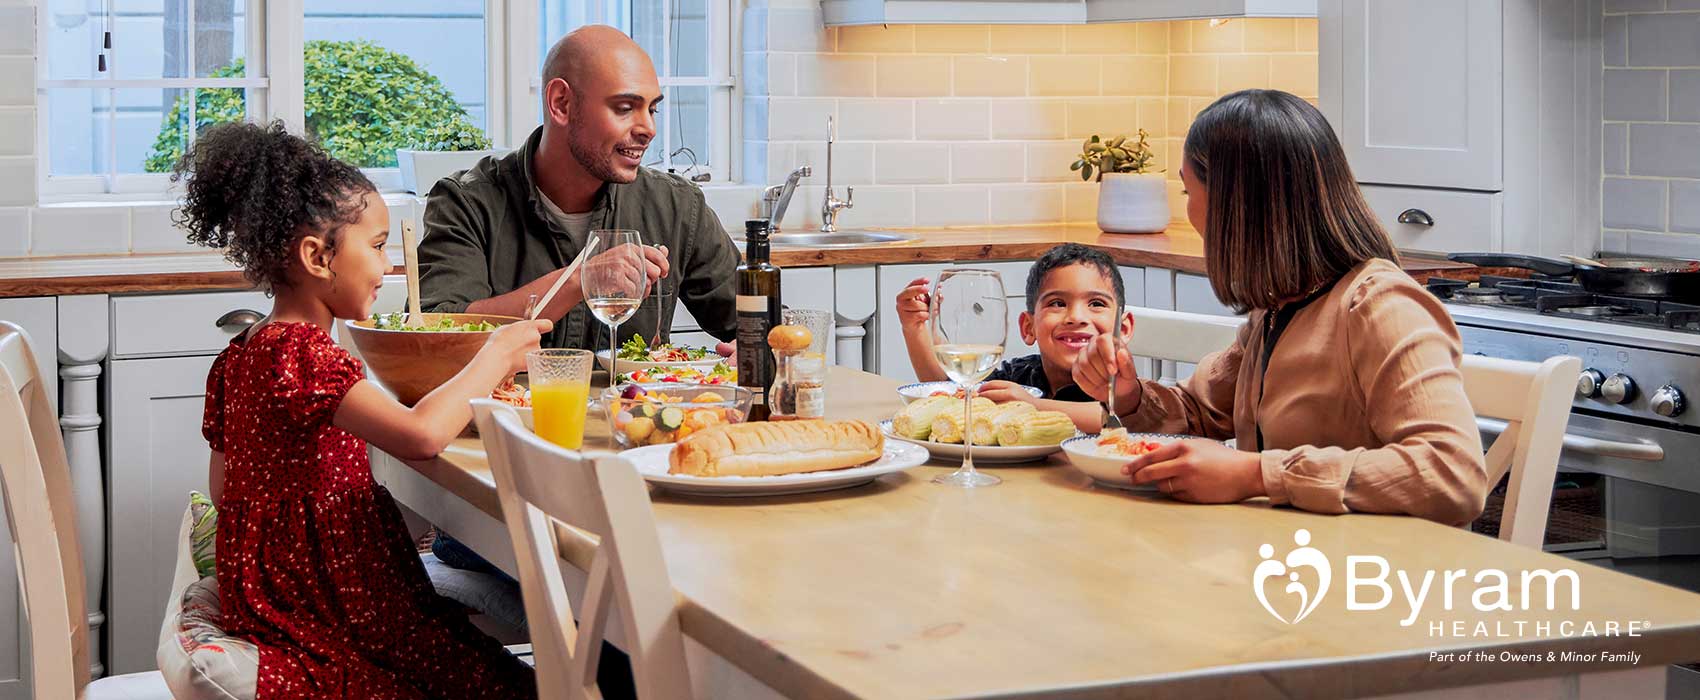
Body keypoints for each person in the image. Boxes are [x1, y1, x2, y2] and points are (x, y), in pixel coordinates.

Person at [179, 121, 544, 697]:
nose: (387, 267)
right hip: (323, 599)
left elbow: (226, 491)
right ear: (317, 256)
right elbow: (421, 437)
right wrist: (496, 354)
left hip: (275, 588)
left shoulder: (245, 351)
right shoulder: (298, 351)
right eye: (376, 248)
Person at [1072, 89, 1490, 526]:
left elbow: (1451, 473)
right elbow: (1202, 411)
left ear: (1235, 204)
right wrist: (1130, 394)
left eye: (1186, 189)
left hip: (1370, 580)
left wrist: (1257, 473)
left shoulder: (1380, 306)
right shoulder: (1279, 308)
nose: (1189, 210)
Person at [417, 24, 738, 352]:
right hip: (504, 404)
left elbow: (760, 324)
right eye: (625, 108)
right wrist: (580, 279)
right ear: (561, 104)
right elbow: (433, 336)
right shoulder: (465, 203)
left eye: (652, 109)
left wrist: (758, 349)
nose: (649, 129)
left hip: (636, 404)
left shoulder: (678, 206)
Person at [894, 243, 1130, 434]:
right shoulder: (1022, 376)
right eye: (1057, 303)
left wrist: (1034, 407)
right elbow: (951, 388)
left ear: (1124, 328)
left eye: (1096, 304)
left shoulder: (1122, 385)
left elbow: (1118, 417)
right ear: (1028, 327)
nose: (1076, 317)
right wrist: (915, 328)